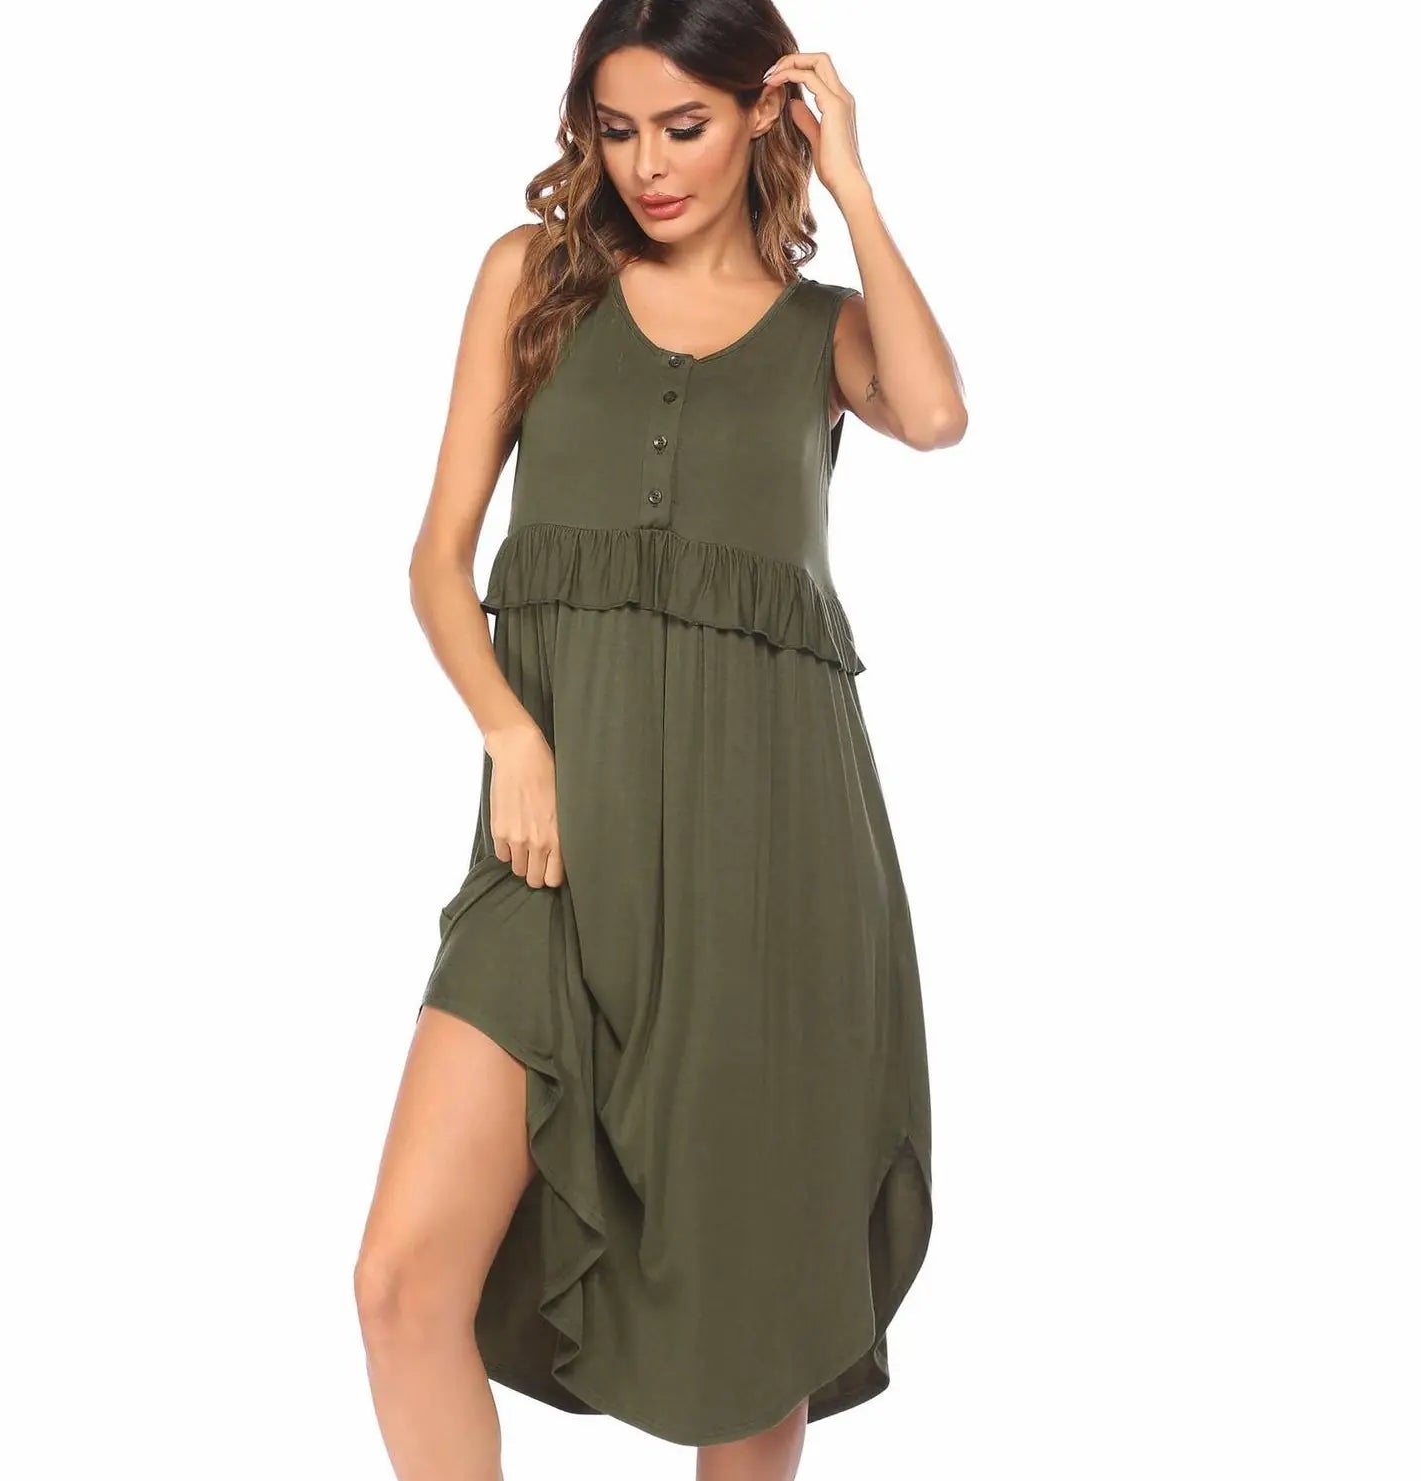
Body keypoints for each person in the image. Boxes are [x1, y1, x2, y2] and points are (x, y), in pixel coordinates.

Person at [356, 3, 967, 1477]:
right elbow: (438, 561)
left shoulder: (826, 334)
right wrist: (512, 736)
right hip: (550, 854)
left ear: (766, 112)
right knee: (400, 1285)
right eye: (617, 129)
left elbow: (936, 413)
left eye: (683, 127)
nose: (647, 166)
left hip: (768, 868)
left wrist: (854, 182)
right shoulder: (533, 279)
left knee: (750, 1330)